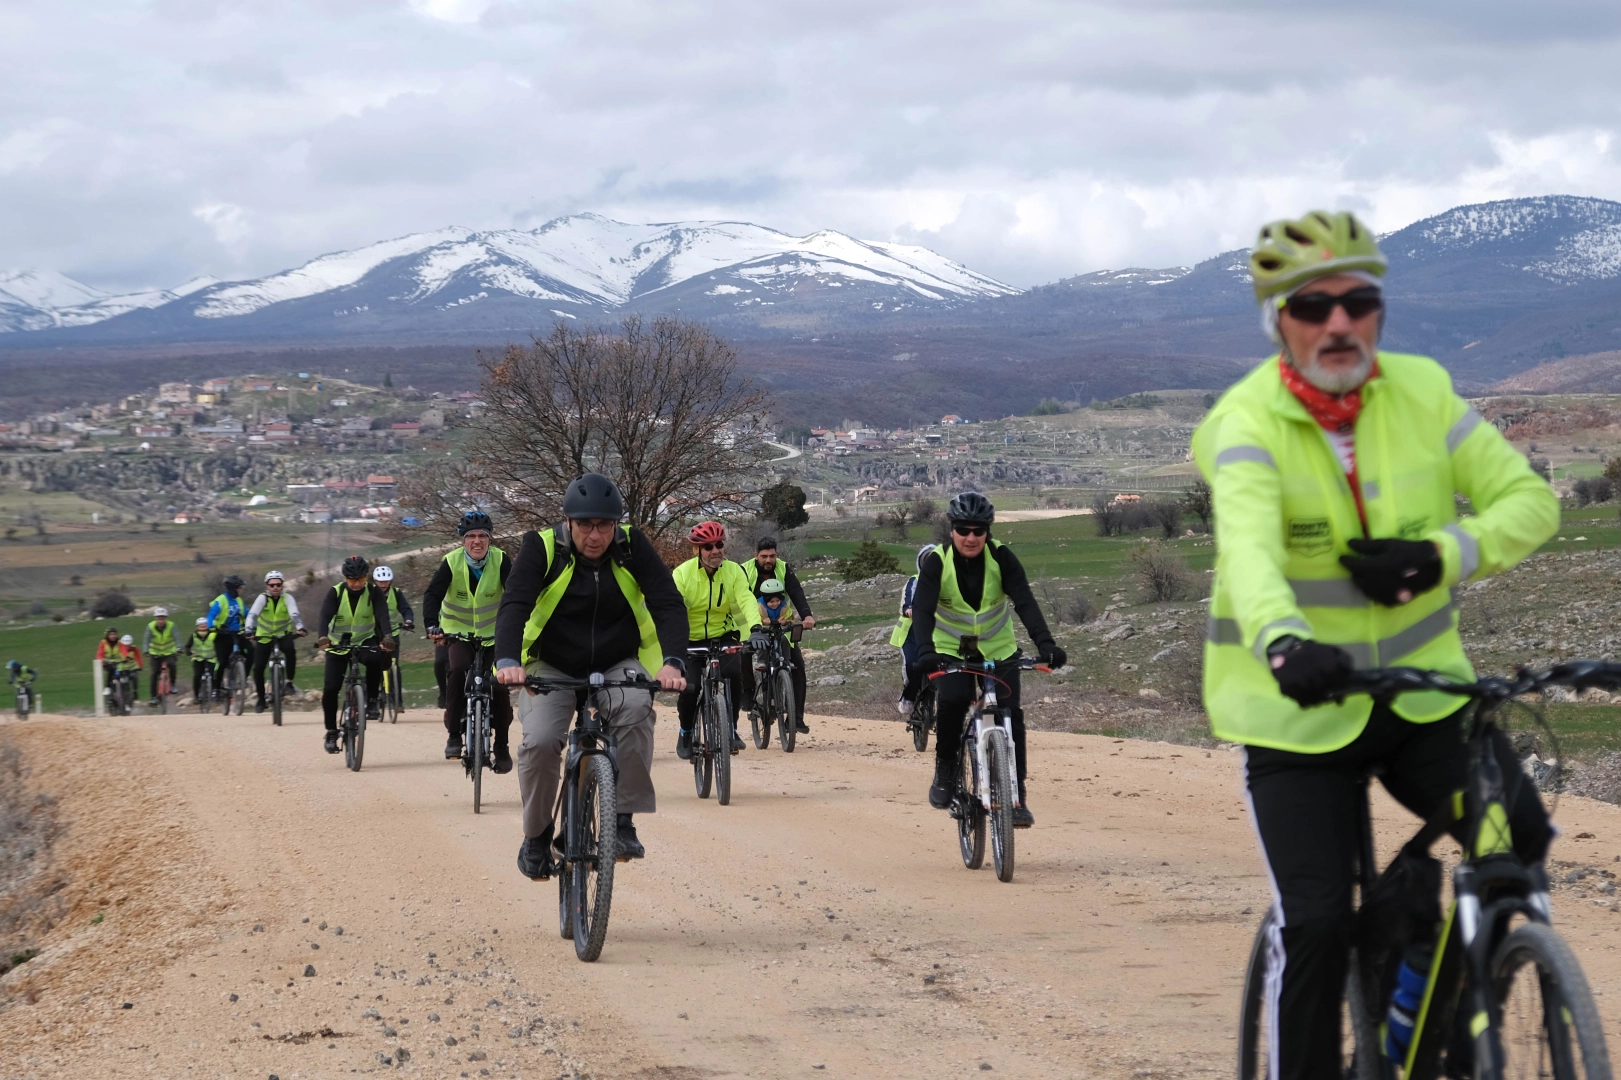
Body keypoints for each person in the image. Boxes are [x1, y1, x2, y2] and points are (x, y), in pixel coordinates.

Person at [1192, 210, 1559, 1080]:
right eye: (1312, 306)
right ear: (1276, 321)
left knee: (1514, 845)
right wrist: (1283, 643)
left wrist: (1441, 555)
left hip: (1423, 700)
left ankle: (1429, 1026)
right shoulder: (1244, 423)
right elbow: (1246, 551)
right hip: (1295, 715)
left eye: (1358, 302)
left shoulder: (1423, 392)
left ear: (1379, 312)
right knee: (1315, 924)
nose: (1338, 324)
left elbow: (1528, 502)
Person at [494, 473, 688, 877]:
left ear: (616, 524)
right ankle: (536, 837)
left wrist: (672, 661)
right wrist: (508, 660)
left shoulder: (633, 547)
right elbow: (514, 603)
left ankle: (621, 822)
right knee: (542, 740)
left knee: (636, 709)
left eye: (604, 525)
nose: (595, 534)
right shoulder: (542, 548)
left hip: (618, 661)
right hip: (551, 665)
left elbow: (668, 602)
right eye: (585, 525)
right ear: (568, 522)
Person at [910, 492, 1065, 829]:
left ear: (987, 532)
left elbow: (1024, 600)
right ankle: (946, 769)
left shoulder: (1002, 558)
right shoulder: (938, 562)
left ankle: (1017, 796)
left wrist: (1046, 643)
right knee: (952, 701)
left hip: (998, 647)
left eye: (978, 531)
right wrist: (924, 650)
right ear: (951, 530)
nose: (970, 537)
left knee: (1011, 715)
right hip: (950, 648)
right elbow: (922, 608)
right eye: (963, 529)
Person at [425, 511, 513, 768]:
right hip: (458, 633)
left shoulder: (501, 560)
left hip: (494, 635)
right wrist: (433, 625)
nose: (477, 541)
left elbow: (516, 593)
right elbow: (432, 595)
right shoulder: (451, 562)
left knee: (498, 682)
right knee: (457, 669)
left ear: (490, 539)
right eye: (471, 536)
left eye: (482, 536)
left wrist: (518, 625)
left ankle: (502, 746)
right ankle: (454, 735)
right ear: (463, 540)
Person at [671, 521, 759, 759]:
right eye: (708, 546)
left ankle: (730, 728)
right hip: (690, 638)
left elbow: (746, 599)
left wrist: (756, 628)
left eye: (719, 544)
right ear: (696, 550)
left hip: (723, 635)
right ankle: (686, 732)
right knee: (691, 687)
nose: (715, 550)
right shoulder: (682, 574)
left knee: (734, 675)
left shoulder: (734, 571)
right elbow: (673, 608)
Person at [315, 555, 395, 754]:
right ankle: (331, 731)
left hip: (364, 639)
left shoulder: (374, 592)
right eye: (352, 579)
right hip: (337, 643)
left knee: (376, 657)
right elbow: (324, 615)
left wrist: (387, 636)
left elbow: (382, 614)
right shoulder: (335, 593)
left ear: (366, 577)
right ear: (345, 578)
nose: (357, 583)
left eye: (360, 579)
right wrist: (323, 637)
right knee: (331, 688)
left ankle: (373, 701)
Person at [738, 536, 814, 735]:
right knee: (743, 654)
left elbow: (795, 590)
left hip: (780, 624)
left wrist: (806, 615)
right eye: (764, 556)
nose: (768, 560)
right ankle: (747, 693)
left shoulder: (783, 568)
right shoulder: (745, 570)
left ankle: (796, 717)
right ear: (756, 556)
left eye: (772, 556)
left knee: (797, 665)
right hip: (752, 623)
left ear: (776, 555)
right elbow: (740, 597)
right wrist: (755, 624)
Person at [246, 570, 307, 712]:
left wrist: (300, 628)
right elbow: (252, 615)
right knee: (258, 668)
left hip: (283, 635)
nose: (275, 588)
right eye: (272, 585)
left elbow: (294, 614)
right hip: (264, 637)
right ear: (267, 586)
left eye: (278, 585)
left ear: (282, 585)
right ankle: (261, 699)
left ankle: (289, 683)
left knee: (291, 651)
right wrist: (249, 629)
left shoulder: (287, 598)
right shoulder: (262, 599)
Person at [891, 545, 935, 715]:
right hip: (912, 632)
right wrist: (910, 609)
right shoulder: (914, 581)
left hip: (938, 632)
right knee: (913, 664)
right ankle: (908, 697)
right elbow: (907, 601)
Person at [206, 574, 251, 682]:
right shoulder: (221, 600)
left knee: (252, 651)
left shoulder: (239, 601)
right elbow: (210, 616)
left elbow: (248, 613)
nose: (242, 590)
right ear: (233, 589)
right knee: (222, 662)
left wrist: (253, 622)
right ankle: (216, 689)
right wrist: (211, 626)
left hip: (237, 633)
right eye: (240, 588)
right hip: (223, 635)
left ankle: (244, 677)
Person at [141, 607, 180, 706]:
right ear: (156, 619)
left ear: (166, 618)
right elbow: (146, 639)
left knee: (172, 665)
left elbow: (177, 638)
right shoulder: (150, 627)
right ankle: (153, 697)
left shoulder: (171, 626)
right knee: (154, 674)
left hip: (169, 652)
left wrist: (179, 648)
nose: (161, 621)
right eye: (159, 618)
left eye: (162, 618)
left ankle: (173, 684)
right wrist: (146, 651)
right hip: (155, 654)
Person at [372, 565, 415, 635]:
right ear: (375, 581)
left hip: (392, 632)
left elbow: (405, 609)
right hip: (373, 633)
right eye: (380, 582)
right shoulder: (369, 592)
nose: (383, 585)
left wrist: (408, 621)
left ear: (390, 581)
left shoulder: (396, 592)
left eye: (386, 581)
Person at [187, 616, 217, 705]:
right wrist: (190, 654)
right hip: (198, 659)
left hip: (212, 658)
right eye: (201, 626)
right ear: (197, 627)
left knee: (214, 675)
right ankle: (196, 696)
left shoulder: (213, 634)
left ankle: (214, 692)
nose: (203, 628)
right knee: (197, 676)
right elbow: (187, 647)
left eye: (204, 626)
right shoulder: (193, 636)